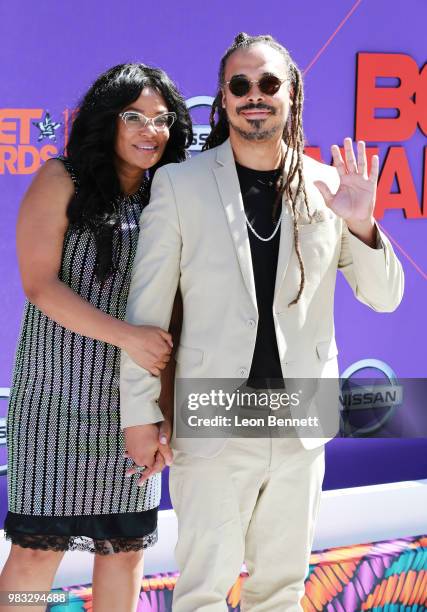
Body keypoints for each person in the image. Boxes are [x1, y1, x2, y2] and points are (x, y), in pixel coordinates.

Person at [120, 34, 404, 612]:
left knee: (280, 591)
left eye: (269, 83)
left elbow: (385, 298)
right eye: (240, 84)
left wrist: (363, 225)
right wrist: (140, 413)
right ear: (222, 99)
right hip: (213, 416)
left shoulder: (329, 186)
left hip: (300, 418)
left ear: (291, 95)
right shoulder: (179, 185)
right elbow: (146, 314)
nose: (255, 95)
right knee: (202, 591)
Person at [0, 63, 192, 612]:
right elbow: (38, 285)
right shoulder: (62, 178)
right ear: (108, 121)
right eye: (134, 116)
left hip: (132, 404)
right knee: (35, 554)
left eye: (161, 120)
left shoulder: (171, 194)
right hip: (54, 397)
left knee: (127, 551)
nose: (148, 130)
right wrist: (126, 336)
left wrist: (166, 411)